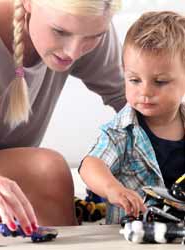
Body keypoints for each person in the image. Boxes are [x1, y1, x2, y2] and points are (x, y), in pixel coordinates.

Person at [0, 0, 125, 231]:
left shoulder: (86, 21)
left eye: (94, 36)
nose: (73, 52)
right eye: (59, 31)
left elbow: (137, 103)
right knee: (44, 170)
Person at [79, 10, 185, 224]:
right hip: (134, 234)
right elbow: (91, 164)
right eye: (135, 80)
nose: (145, 92)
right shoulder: (120, 132)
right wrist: (112, 189)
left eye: (160, 82)